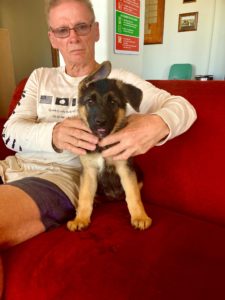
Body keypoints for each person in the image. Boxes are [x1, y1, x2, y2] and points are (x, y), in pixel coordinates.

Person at [0, 0, 197, 296]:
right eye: (62, 30)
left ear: (96, 31)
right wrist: (53, 133)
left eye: (81, 26)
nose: (73, 37)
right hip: (11, 166)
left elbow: (183, 106)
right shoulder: (39, 78)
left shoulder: (119, 83)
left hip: (54, 179)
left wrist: (156, 124)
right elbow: (10, 132)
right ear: (52, 37)